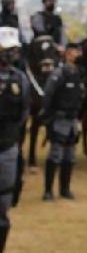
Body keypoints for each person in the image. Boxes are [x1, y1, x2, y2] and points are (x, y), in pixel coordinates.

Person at [40, 42, 85, 201]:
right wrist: (47, 117)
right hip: (59, 119)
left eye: (78, 52)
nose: (77, 55)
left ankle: (65, 189)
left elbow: (80, 97)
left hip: (72, 119)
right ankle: (48, 191)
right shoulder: (59, 74)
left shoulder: (77, 73)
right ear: (66, 54)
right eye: (74, 52)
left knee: (70, 157)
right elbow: (48, 95)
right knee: (55, 155)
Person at [0, 27, 30, 251]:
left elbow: (23, 113)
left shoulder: (20, 79)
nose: (12, 54)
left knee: (3, 206)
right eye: (8, 50)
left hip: (7, 147)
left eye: (14, 50)